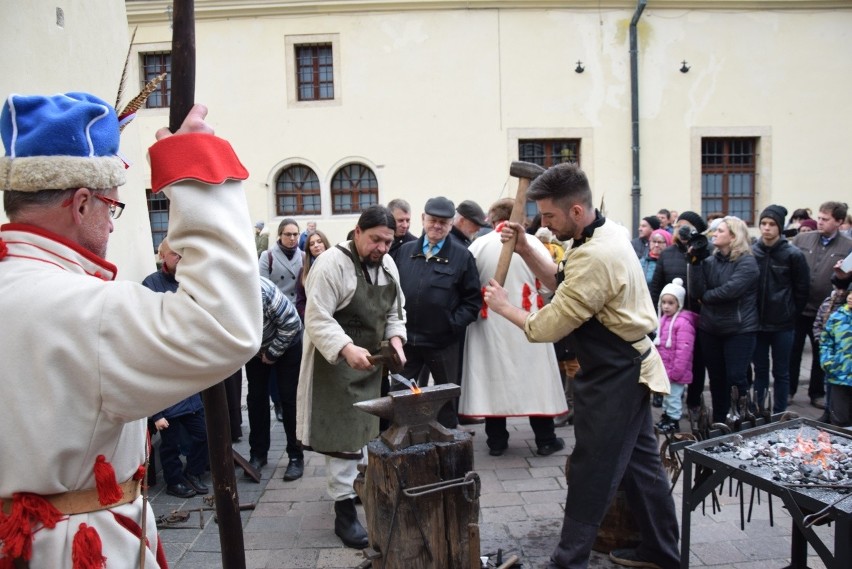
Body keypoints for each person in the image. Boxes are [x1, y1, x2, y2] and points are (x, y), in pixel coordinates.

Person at [0, 94, 261, 568]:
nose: (111, 224)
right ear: (81, 204)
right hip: (70, 551)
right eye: (111, 207)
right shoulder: (85, 306)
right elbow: (227, 326)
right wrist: (200, 175)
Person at [483, 163, 679, 569]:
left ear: (575, 211)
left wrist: (504, 307)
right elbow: (562, 280)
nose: (544, 224)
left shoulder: (598, 253)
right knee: (642, 465)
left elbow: (545, 327)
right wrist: (523, 248)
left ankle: (568, 560)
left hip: (619, 374)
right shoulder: (602, 233)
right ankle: (661, 552)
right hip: (621, 365)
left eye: (550, 216)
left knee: (594, 468)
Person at [296, 205, 407, 549]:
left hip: (372, 364)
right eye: (376, 240)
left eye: (388, 242)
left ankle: (358, 489)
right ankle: (343, 513)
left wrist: (396, 340)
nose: (382, 248)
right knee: (343, 439)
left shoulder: (387, 264)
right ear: (357, 231)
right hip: (335, 367)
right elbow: (316, 318)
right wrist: (346, 348)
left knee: (365, 433)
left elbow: (395, 310)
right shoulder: (330, 264)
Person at [459, 199, 568, 457]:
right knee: (535, 380)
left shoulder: (479, 245)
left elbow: (467, 284)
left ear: (494, 219)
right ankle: (545, 439)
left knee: (493, 379)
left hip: (490, 323)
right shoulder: (534, 246)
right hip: (526, 320)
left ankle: (496, 441)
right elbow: (547, 286)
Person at [395, 196, 482, 428]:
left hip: (442, 344)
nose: (437, 226)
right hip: (407, 343)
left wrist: (450, 324)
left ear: (451, 224)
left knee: (445, 401)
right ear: (423, 219)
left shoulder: (462, 256)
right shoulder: (405, 252)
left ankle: (448, 447)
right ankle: (407, 444)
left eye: (443, 222)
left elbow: (473, 301)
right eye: (433, 220)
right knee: (401, 396)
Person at [142, 239, 211, 499]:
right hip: (166, 372)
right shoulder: (151, 284)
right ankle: (174, 480)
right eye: (174, 254)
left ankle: (193, 472)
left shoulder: (191, 281)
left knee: (202, 434)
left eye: (183, 254)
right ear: (162, 256)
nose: (179, 259)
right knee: (169, 442)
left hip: (189, 373)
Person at [688, 216, 759, 424]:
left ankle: (742, 418)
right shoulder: (710, 261)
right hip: (710, 328)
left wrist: (705, 299)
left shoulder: (747, 262)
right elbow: (695, 291)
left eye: (720, 231)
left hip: (739, 329)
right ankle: (720, 420)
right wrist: (694, 262)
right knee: (717, 379)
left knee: (736, 378)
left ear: (734, 236)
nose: (714, 234)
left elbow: (730, 291)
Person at [649, 210, 710, 427]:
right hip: (670, 316)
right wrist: (657, 313)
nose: (682, 230)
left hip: (697, 316)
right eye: (679, 225)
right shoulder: (668, 253)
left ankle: (694, 402)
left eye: (687, 226)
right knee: (669, 355)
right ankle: (671, 398)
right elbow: (657, 285)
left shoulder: (706, 251)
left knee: (696, 361)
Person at [790, 201, 852, 409]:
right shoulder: (802, 239)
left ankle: (816, 393)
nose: (820, 222)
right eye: (819, 217)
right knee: (793, 351)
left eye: (826, 219)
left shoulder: (848, 246)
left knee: (820, 353)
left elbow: (847, 279)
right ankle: (789, 390)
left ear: (840, 221)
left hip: (826, 311)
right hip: (798, 308)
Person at [244, 276, 303, 480]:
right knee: (256, 399)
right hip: (255, 348)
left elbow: (291, 324)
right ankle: (258, 454)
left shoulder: (262, 291)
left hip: (287, 341)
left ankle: (296, 456)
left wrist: (272, 354)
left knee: (288, 399)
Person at [752, 205, 810, 413]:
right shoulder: (753, 251)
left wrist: (791, 313)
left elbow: (802, 289)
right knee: (759, 371)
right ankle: (758, 411)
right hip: (757, 323)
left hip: (783, 324)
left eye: (771, 224)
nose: (766, 228)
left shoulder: (793, 254)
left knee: (781, 372)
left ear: (780, 227)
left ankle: (779, 412)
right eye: (763, 223)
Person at [654, 278, 697, 434]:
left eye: (670, 303)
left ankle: (673, 421)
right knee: (667, 397)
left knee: (673, 398)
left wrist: (677, 371)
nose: (666, 306)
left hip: (676, 372)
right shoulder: (663, 321)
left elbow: (684, 350)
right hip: (666, 371)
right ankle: (667, 417)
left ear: (679, 303)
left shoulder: (683, 323)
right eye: (663, 302)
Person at [819, 284, 852, 428]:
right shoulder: (837, 317)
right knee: (839, 419)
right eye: (850, 293)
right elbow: (825, 342)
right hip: (839, 376)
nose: (851, 297)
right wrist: (828, 362)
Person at [295, 229, 331, 320]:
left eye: (319, 242)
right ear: (309, 249)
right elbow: (300, 302)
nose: (316, 245)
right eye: (312, 244)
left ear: (325, 244)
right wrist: (307, 318)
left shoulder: (337, 267)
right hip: (313, 321)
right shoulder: (304, 271)